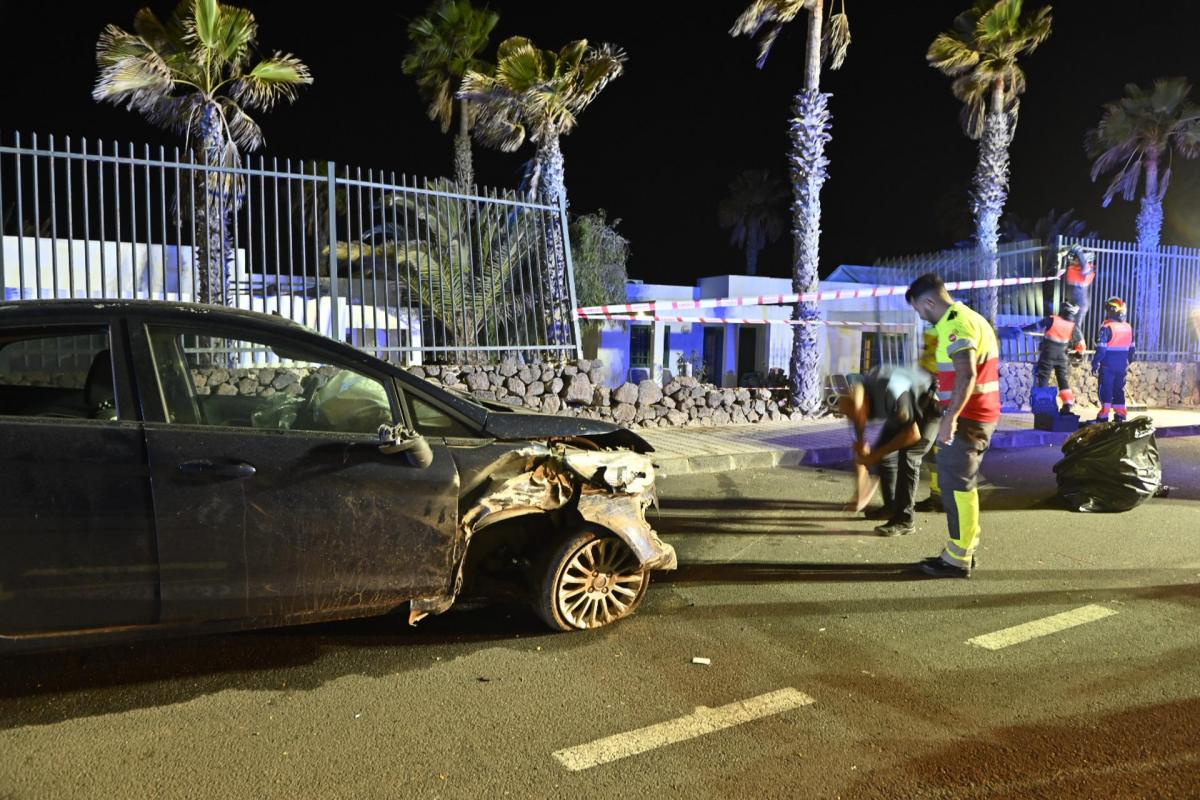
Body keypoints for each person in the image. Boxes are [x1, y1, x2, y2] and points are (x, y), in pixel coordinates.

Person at [905, 273, 1001, 579]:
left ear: (930, 301)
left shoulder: (955, 323)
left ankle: (958, 558)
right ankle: (963, 550)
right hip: (976, 415)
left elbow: (966, 374)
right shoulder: (971, 317)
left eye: (921, 310)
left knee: (958, 485)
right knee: (961, 484)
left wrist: (950, 418)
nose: (922, 317)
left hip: (968, 417)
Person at [837, 365, 941, 537]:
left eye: (859, 415)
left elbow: (912, 434)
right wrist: (864, 448)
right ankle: (891, 507)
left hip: (930, 406)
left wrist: (874, 456)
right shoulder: (859, 391)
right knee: (883, 451)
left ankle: (905, 520)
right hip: (907, 407)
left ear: (868, 403)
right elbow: (859, 422)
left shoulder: (891, 393)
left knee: (909, 455)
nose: (858, 420)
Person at [1024, 301, 1085, 414]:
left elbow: (1036, 326)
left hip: (1048, 354)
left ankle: (1043, 405)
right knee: (1063, 380)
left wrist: (1021, 329)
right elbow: (1081, 345)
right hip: (1062, 357)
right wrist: (1078, 354)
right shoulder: (1073, 326)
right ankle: (1067, 405)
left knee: (1043, 378)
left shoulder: (1052, 319)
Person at [914, 327, 944, 513]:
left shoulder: (948, 330)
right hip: (931, 390)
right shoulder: (935, 328)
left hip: (937, 395)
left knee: (925, 449)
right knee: (934, 454)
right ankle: (937, 498)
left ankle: (939, 498)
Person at [1092, 296, 1135, 422]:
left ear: (1111, 310)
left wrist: (1095, 363)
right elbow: (1132, 349)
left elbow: (1101, 349)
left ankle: (1104, 415)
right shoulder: (1128, 327)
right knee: (1118, 389)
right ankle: (1120, 415)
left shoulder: (1107, 327)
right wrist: (1127, 362)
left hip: (1107, 365)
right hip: (1122, 366)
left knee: (1106, 388)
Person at [1063, 245, 1096, 325]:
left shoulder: (1088, 269)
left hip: (1079, 303)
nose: (1074, 259)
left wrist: (1079, 252)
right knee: (1067, 326)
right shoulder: (1074, 268)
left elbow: (1085, 269)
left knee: (1075, 328)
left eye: (1076, 258)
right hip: (1073, 301)